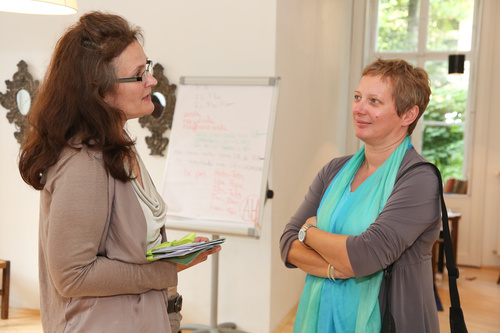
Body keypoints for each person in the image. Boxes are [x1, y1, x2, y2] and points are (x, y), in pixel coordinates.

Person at [18, 11, 220, 333]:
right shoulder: (84, 164)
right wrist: (167, 270)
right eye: (139, 74)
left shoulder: (116, 146)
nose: (151, 81)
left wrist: (172, 260)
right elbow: (73, 275)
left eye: (147, 68)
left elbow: (127, 249)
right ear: (100, 92)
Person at [280, 58, 440, 332]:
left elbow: (366, 255)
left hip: (392, 322)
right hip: (319, 318)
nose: (359, 108)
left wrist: (308, 232)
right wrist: (334, 268)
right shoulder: (334, 170)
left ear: (408, 115)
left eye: (374, 101)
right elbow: (286, 245)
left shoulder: (419, 179)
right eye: (357, 97)